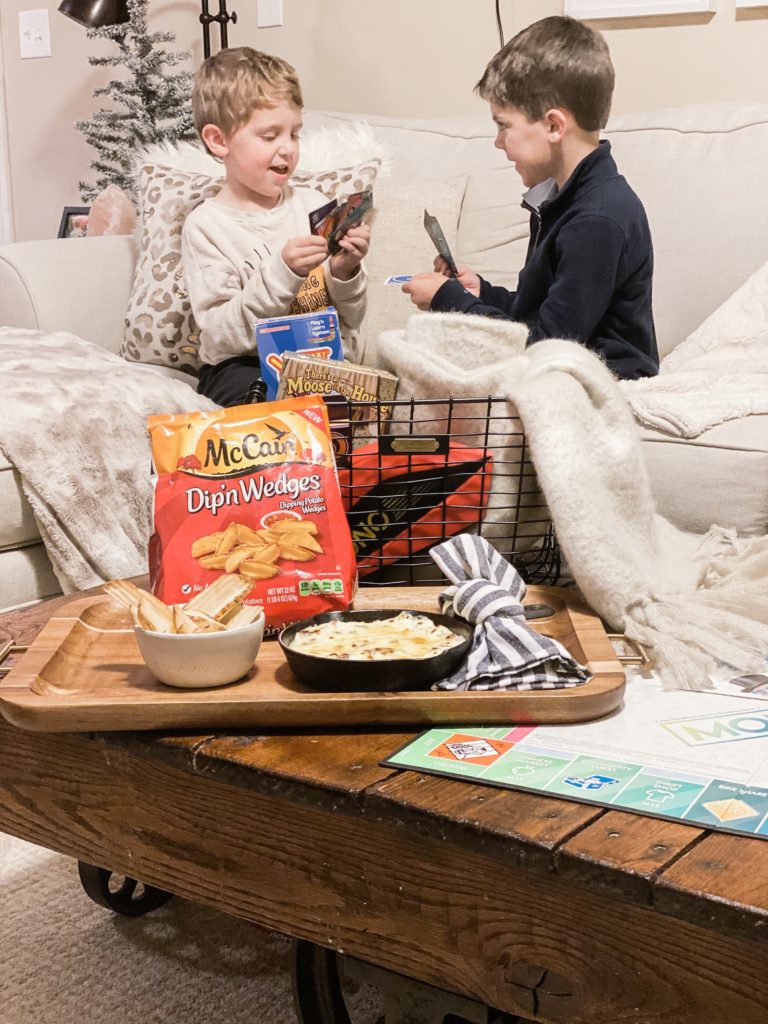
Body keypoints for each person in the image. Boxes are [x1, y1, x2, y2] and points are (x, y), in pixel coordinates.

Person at [402, 16, 659, 380]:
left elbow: (542, 349)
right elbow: (542, 318)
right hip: (562, 369)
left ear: (554, 126)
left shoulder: (596, 221)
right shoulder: (565, 201)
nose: (497, 141)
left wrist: (451, 300)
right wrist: (483, 294)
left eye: (503, 125)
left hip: (604, 384)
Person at [182, 47, 370, 406]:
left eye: (294, 134)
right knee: (261, 399)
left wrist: (346, 272)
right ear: (218, 140)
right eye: (269, 136)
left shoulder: (314, 204)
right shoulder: (207, 226)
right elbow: (223, 336)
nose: (287, 149)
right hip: (243, 364)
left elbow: (354, 317)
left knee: (354, 401)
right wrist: (282, 273)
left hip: (318, 360)